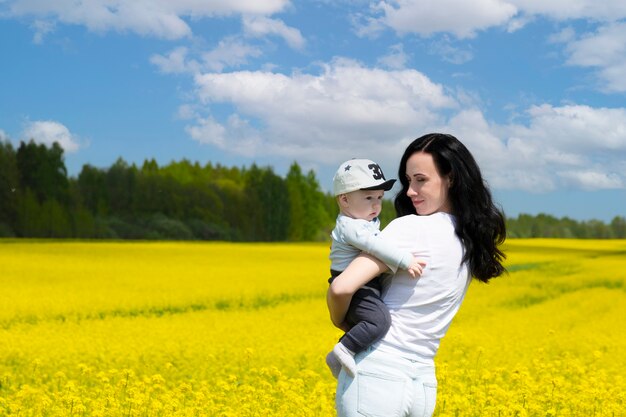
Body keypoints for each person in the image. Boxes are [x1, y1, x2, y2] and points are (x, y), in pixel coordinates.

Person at [327, 133, 506, 417]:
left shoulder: (409, 229)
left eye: (421, 180)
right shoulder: (469, 243)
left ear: (451, 178)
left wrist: (341, 321)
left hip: (378, 373)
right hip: (423, 381)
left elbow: (340, 288)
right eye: (409, 181)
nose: (410, 191)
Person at [326, 158, 426, 379]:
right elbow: (375, 245)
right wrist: (405, 260)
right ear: (344, 200)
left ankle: (346, 352)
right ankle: (343, 350)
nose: (376, 205)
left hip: (364, 284)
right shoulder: (351, 226)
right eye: (369, 197)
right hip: (356, 287)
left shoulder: (363, 221)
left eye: (380, 198)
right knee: (378, 321)